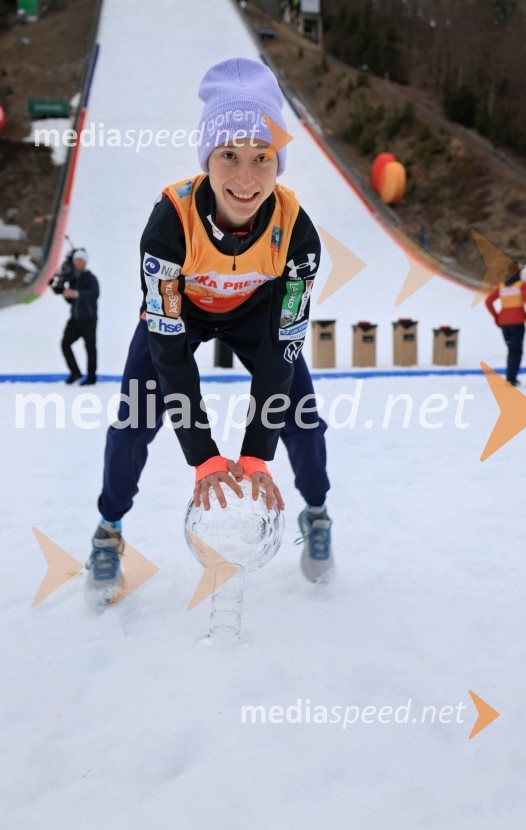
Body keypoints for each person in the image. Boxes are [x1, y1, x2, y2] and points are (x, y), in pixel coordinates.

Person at [86, 57, 334, 591]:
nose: (245, 179)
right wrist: (203, 455)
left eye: (262, 157)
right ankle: (108, 530)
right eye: (229, 156)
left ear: (278, 162)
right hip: (184, 314)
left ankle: (316, 512)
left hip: (256, 313)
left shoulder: (298, 234)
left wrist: (254, 453)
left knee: (304, 418)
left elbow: (282, 349)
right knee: (133, 420)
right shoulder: (170, 223)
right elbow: (168, 351)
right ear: (207, 157)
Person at [485, 268, 526, 386]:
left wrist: (496, 316)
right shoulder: (522, 285)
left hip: (504, 323)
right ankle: (511, 378)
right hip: (517, 321)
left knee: (511, 349)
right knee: (516, 351)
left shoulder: (501, 286)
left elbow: (488, 301)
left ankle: (510, 375)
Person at [58, 248, 99, 385]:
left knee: (90, 348)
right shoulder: (73, 279)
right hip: (75, 320)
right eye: (76, 260)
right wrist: (66, 294)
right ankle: (75, 372)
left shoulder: (91, 278)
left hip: (89, 320)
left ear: (85, 262)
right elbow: (72, 301)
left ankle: (91, 377)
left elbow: (94, 294)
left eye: (81, 260)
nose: (78, 263)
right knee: (65, 344)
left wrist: (76, 294)